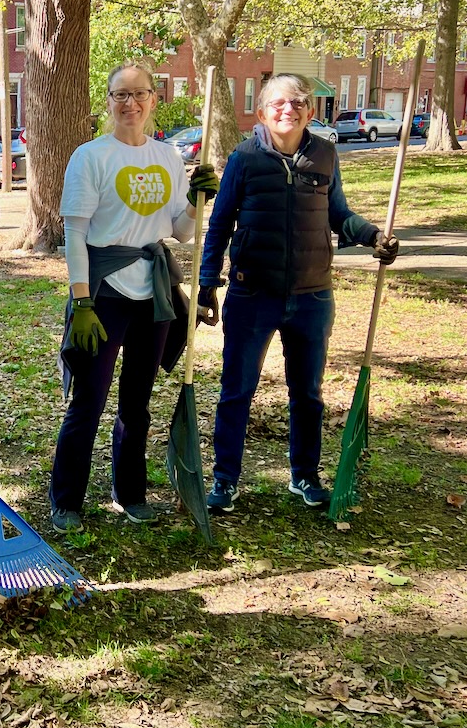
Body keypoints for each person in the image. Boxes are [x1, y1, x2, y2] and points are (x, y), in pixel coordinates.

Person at [196, 73, 399, 515]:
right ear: (262, 112)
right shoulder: (244, 158)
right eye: (279, 103)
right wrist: (207, 284)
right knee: (237, 391)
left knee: (307, 393)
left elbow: (337, 213)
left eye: (298, 103)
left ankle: (305, 475)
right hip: (253, 295)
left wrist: (372, 237)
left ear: (310, 112)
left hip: (312, 296)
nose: (288, 109)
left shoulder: (325, 154)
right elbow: (220, 223)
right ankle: (225, 479)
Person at [48, 62, 219, 534]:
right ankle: (66, 499)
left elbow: (181, 233)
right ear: (108, 101)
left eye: (139, 93)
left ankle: (130, 492)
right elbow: (75, 234)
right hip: (104, 291)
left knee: (137, 402)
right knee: (88, 401)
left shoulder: (167, 157)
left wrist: (196, 202)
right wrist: (82, 301)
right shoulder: (91, 157)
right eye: (120, 95)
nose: (131, 103)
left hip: (154, 292)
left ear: (152, 99)